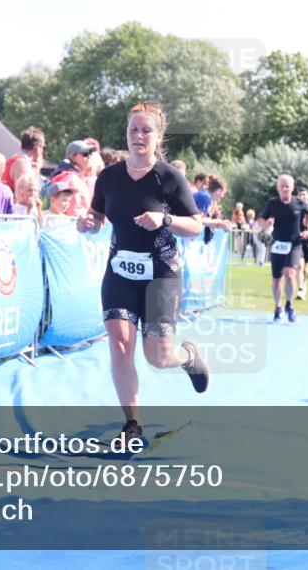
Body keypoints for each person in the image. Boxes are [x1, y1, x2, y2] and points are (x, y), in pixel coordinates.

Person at [76, 101, 208, 440]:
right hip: (119, 274)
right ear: (126, 133)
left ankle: (187, 356)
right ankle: (132, 424)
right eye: (133, 129)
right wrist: (87, 223)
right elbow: (97, 217)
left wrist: (164, 219)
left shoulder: (169, 177)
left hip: (160, 276)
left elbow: (196, 226)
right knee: (120, 345)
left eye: (146, 130)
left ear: (158, 136)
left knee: (158, 357)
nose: (138, 135)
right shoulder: (109, 176)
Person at [256, 174, 308, 323]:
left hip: (294, 244)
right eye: (282, 186)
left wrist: (307, 228)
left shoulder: (299, 203)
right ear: (278, 188)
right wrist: (265, 224)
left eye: (288, 186)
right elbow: (261, 219)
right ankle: (277, 307)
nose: (285, 189)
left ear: (292, 188)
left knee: (290, 273)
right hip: (278, 244)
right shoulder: (272, 204)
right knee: (276, 279)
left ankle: (290, 305)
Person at [50, 140, 95, 216]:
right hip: (71, 225)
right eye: (85, 154)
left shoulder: (79, 178)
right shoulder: (71, 179)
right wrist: (90, 213)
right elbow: (72, 212)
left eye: (90, 153)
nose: (89, 157)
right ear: (73, 157)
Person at [3, 126, 45, 193]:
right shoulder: (22, 163)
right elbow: (24, 195)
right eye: (43, 147)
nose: (43, 151)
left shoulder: (16, 160)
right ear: (37, 147)